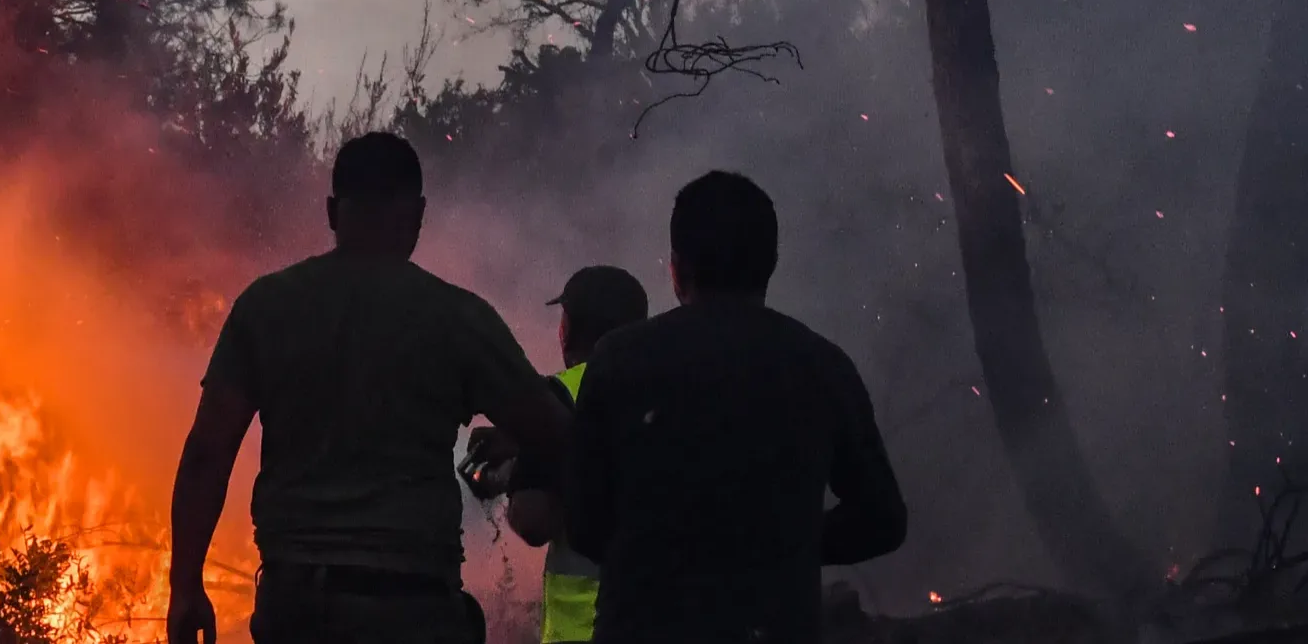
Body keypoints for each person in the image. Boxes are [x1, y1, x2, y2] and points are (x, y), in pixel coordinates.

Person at [167, 132, 572, 644]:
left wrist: (184, 587)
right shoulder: (457, 318)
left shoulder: (266, 307)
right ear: (418, 213)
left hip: (294, 605)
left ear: (333, 211)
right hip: (411, 606)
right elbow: (549, 430)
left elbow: (208, 451)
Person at [566, 171, 906, 644]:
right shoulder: (820, 365)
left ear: (676, 268)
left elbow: (583, 524)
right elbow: (883, 519)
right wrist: (786, 543)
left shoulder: (618, 359)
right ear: (771, 263)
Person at [496, 266, 649, 644]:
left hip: (584, 630)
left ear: (568, 329)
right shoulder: (666, 392)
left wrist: (509, 477)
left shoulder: (558, 396)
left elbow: (533, 519)